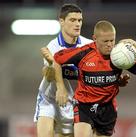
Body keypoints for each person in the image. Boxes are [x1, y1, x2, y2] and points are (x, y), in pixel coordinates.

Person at [41, 20, 136, 137]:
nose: (109, 45)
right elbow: (57, 60)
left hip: (107, 108)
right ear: (95, 38)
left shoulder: (120, 55)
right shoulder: (84, 53)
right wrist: (61, 87)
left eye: (112, 40)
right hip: (84, 106)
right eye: (105, 41)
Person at [33, 3, 93, 137]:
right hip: (51, 100)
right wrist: (60, 85)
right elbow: (48, 76)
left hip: (78, 103)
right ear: (61, 21)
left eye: (80, 20)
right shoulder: (52, 47)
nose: (77, 24)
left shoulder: (89, 46)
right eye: (72, 20)